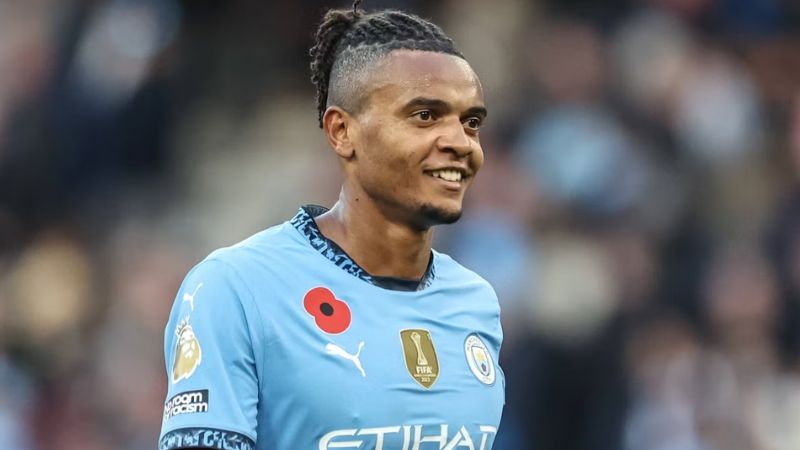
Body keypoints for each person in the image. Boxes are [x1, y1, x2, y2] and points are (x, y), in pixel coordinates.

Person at [158, 1, 505, 449]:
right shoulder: (237, 288)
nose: (460, 142)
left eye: (471, 123)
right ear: (342, 131)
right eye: (425, 116)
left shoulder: (476, 302)